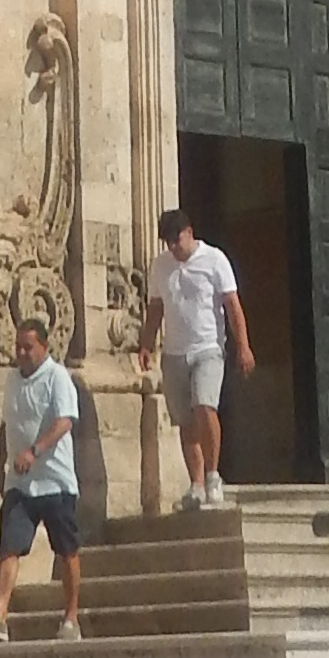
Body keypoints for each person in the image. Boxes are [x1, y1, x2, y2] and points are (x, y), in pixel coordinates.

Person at [0, 302, 84, 640]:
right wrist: (2, 463)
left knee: (66, 551)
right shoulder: (12, 380)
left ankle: (71, 617)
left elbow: (64, 421)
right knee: (9, 547)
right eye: (19, 347)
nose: (21, 353)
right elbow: (7, 424)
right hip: (20, 483)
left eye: (28, 347)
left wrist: (34, 451)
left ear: (44, 347)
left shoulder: (57, 377)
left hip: (55, 481)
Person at [138, 204, 253, 511]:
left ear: (189, 232)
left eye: (177, 240)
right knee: (185, 421)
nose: (173, 247)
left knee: (204, 406)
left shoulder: (214, 260)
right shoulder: (160, 266)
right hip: (174, 351)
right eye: (168, 242)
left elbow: (232, 305)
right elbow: (156, 307)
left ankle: (213, 476)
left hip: (208, 347)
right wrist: (146, 344)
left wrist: (243, 346)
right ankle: (197, 484)